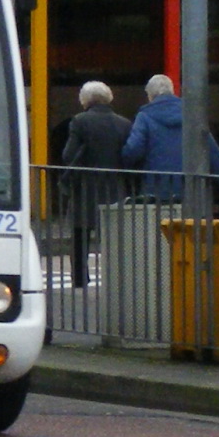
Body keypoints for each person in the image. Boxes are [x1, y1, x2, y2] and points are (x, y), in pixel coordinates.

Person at [59, 81, 133, 288]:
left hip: (84, 189)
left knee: (80, 238)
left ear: (85, 100)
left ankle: (80, 280)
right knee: (114, 239)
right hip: (114, 188)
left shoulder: (80, 121)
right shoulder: (124, 123)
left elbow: (68, 155)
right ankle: (117, 280)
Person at [120, 73, 219, 202]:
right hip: (190, 189)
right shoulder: (192, 115)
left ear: (149, 96)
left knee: (158, 222)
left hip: (155, 189)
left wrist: (124, 166)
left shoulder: (144, 117)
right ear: (172, 91)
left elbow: (133, 150)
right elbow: (210, 148)